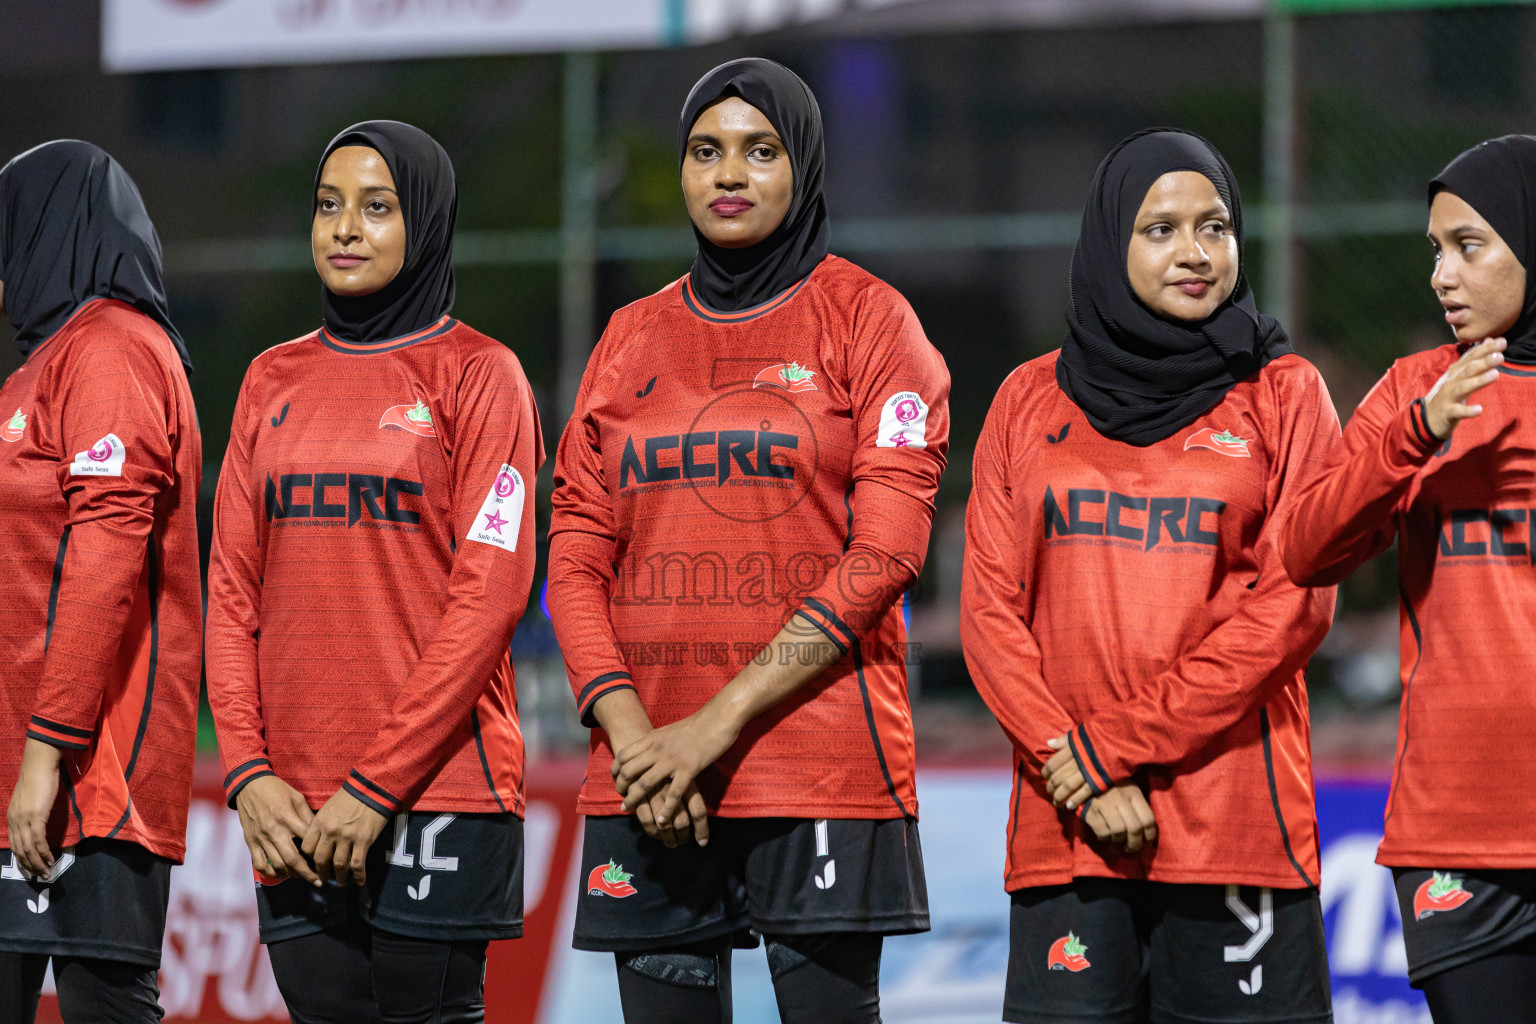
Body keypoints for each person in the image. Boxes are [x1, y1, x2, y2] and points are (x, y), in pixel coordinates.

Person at [547, 58, 949, 1024]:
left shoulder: (871, 320)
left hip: (817, 767)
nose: (729, 173)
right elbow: (572, 552)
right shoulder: (628, 339)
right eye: (706, 151)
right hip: (648, 779)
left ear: (802, 166)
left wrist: (711, 727)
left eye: (759, 150)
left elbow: (886, 555)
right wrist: (639, 737)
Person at [961, 128, 1340, 1024]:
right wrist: (1075, 762)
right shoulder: (1027, 399)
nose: (1195, 252)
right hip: (1072, 829)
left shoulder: (1285, 395)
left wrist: (1106, 750)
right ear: (1108, 241)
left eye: (1214, 226)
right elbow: (989, 613)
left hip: (1234, 828)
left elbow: (1294, 607)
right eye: (1160, 229)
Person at [205, 121, 542, 1024]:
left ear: (425, 222)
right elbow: (232, 597)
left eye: (377, 207)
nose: (345, 228)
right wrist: (246, 771)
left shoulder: (481, 377)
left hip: (442, 793)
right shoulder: (269, 380)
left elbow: (490, 597)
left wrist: (375, 786)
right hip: (293, 806)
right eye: (328, 206)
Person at [1281, 134, 1536, 1023]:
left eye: (1469, 246)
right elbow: (1307, 549)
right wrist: (1415, 434)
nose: (1442, 276)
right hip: (1456, 835)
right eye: (1436, 251)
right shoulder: (1415, 392)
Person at [0, 141, 202, 1023]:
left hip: (89, 781)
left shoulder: (113, 350)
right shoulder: (41, 365)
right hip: (24, 772)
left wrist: (45, 755)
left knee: (105, 1005)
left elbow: (105, 556)